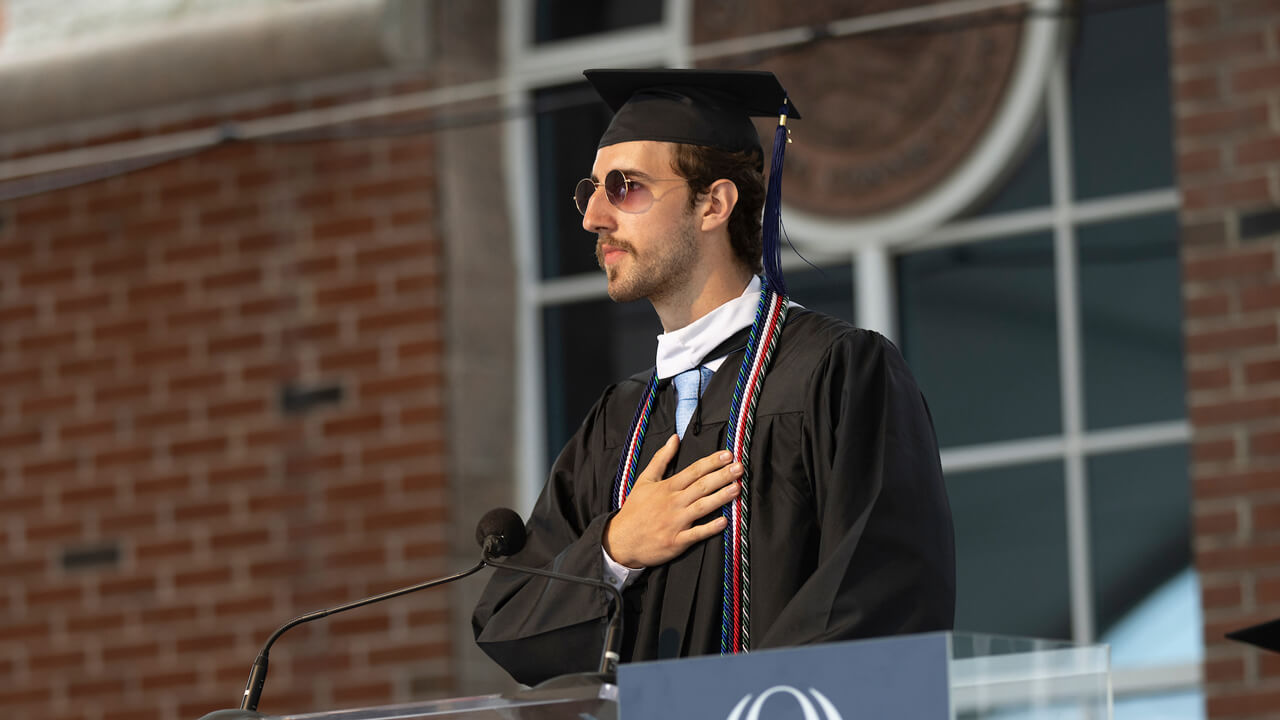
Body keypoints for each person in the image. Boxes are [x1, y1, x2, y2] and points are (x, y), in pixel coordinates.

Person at [472, 68, 955, 686]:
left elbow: (884, 598)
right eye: (590, 190)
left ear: (714, 204)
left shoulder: (837, 374)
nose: (594, 216)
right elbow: (510, 623)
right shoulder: (617, 424)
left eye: (625, 188)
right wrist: (614, 550)